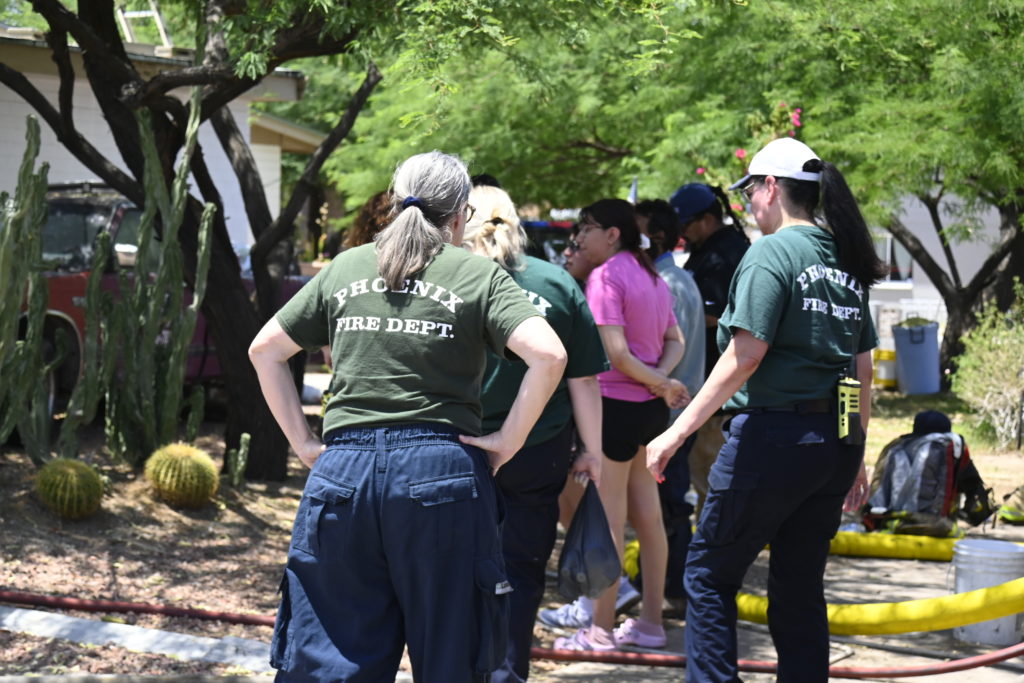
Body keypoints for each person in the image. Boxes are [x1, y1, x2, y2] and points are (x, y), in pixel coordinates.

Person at [248, 151, 568, 682]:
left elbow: (265, 350)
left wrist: (304, 446)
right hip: (443, 475)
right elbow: (550, 356)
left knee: (329, 664)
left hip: (342, 476)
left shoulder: (346, 266)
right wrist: (508, 441)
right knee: (453, 659)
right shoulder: (478, 274)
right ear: (461, 215)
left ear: (396, 204)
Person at [646, 137, 886, 682]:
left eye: (751, 190)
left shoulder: (771, 252)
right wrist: (856, 448)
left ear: (771, 187)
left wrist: (675, 434)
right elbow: (860, 370)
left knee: (708, 574)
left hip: (773, 441)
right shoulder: (843, 257)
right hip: (832, 446)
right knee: (798, 586)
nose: (749, 202)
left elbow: (745, 355)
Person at [462, 184, 609, 683]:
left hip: (457, 447)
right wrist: (592, 451)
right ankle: (507, 672)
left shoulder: (445, 281)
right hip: (537, 450)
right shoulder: (556, 282)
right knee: (521, 571)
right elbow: (583, 379)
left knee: (453, 568)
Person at [553, 198, 687, 652]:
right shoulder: (651, 274)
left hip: (614, 408)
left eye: (586, 228)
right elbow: (675, 340)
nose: (579, 237)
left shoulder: (606, 276)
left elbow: (615, 353)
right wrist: (660, 381)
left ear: (612, 234)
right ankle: (651, 624)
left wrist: (658, 381)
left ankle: (601, 630)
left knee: (609, 520)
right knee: (649, 519)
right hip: (649, 411)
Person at [635, 198, 705, 612]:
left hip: (671, 415)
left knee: (670, 506)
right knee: (664, 504)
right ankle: (660, 585)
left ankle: (672, 588)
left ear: (657, 237)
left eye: (637, 231)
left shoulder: (668, 284)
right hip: (674, 411)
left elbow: (662, 349)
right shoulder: (672, 278)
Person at [668, 183, 749, 520]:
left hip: (720, 394)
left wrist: (664, 321)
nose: (682, 233)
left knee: (712, 479)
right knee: (702, 478)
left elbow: (717, 315)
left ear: (706, 219)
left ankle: (713, 542)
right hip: (704, 384)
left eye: (686, 224)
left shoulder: (725, 253)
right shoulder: (706, 250)